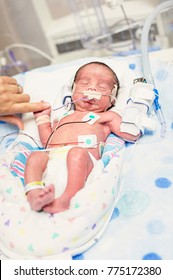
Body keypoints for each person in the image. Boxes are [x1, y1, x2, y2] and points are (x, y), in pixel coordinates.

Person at [24, 61, 140, 213]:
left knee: (76, 153)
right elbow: (47, 142)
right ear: (73, 91)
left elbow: (131, 135)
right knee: (36, 156)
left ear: (112, 99)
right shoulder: (63, 116)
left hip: (83, 162)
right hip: (52, 160)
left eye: (102, 87)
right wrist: (42, 119)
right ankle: (35, 194)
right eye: (85, 83)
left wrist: (118, 118)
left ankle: (67, 198)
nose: (92, 88)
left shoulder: (106, 117)